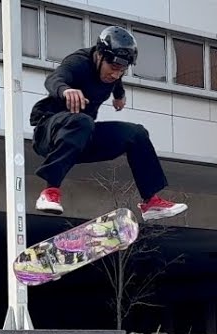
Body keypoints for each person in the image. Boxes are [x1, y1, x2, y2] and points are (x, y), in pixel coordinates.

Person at [30, 26, 188, 222]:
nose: (115, 75)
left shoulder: (114, 74)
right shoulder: (78, 62)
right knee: (82, 121)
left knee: (136, 133)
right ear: (99, 56)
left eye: (121, 71)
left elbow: (116, 82)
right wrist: (65, 90)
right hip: (50, 134)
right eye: (113, 68)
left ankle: (151, 202)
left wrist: (119, 96)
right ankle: (50, 191)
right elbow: (55, 78)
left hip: (81, 138)